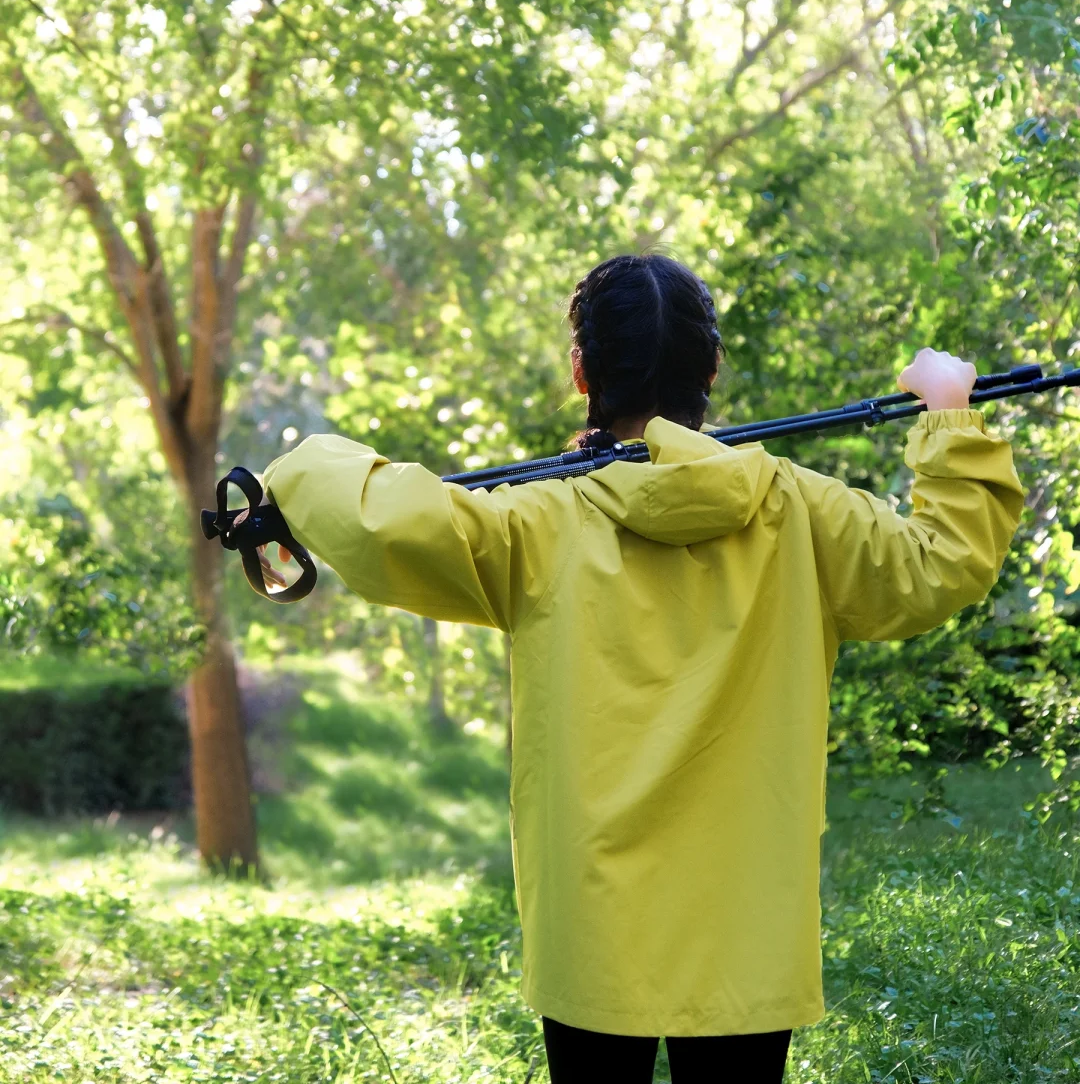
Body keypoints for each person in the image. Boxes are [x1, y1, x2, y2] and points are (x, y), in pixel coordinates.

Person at [257, 253, 1024, 1083]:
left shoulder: (532, 525)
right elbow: (944, 561)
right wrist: (948, 411)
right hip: (746, 931)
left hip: (593, 932)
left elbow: (380, 523)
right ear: (711, 370)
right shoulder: (800, 510)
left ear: (582, 371)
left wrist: (296, 469)